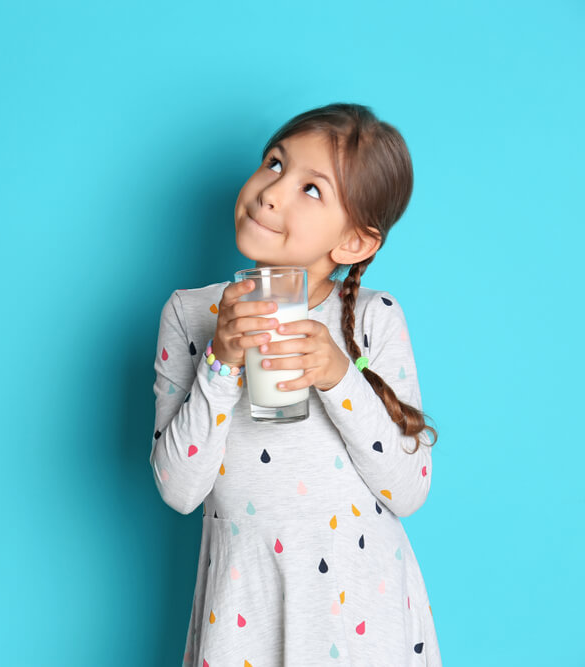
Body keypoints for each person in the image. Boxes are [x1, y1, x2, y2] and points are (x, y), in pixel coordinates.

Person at [150, 102, 441, 666]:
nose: (271, 191)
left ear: (354, 243)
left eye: (312, 189)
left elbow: (409, 491)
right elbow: (179, 490)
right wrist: (221, 359)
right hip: (244, 606)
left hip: (361, 608)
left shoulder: (376, 318)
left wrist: (338, 375)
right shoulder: (190, 315)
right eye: (275, 163)